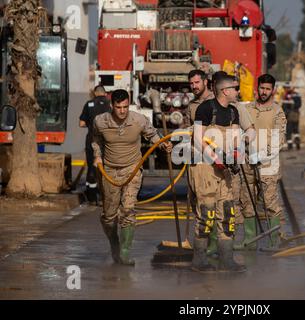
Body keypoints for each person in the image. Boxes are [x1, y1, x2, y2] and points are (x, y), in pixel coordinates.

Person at [92, 89, 172, 266]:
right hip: (110, 171)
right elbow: (96, 139)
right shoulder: (100, 121)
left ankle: (125, 252)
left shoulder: (139, 120)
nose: (122, 111)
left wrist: (162, 144)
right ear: (112, 105)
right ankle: (114, 243)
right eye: (118, 107)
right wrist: (97, 155)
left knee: (128, 210)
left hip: (132, 169)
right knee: (108, 216)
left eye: (125, 107)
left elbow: (153, 135)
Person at [189, 75, 246, 272]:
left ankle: (226, 260)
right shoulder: (205, 109)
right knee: (207, 213)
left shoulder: (233, 112)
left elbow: (236, 137)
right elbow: (198, 139)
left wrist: (236, 155)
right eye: (236, 88)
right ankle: (199, 260)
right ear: (225, 90)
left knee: (228, 212)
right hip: (206, 169)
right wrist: (216, 159)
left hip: (226, 171)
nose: (238, 91)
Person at [235, 74, 287, 250]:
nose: (264, 92)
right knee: (246, 200)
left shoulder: (277, 112)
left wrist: (264, 155)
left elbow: (279, 139)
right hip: (247, 162)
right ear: (257, 88)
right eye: (261, 88)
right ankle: (249, 239)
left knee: (269, 202)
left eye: (267, 89)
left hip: (267, 165)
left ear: (273, 90)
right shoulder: (246, 109)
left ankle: (274, 240)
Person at [79, 85, 111, 205]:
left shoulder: (89, 104)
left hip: (92, 140)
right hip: (107, 141)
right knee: (107, 168)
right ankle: (106, 197)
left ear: (95, 93)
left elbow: (81, 123)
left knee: (92, 167)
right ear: (105, 93)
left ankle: (92, 197)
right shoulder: (111, 105)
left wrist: (91, 124)